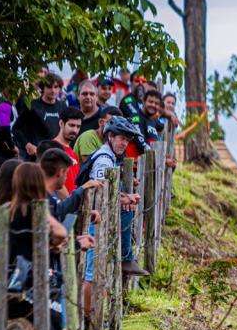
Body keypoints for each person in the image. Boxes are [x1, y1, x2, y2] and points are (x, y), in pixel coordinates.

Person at [81, 115, 148, 283]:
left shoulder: (112, 157)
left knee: (97, 270)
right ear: (110, 136)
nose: (125, 144)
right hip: (93, 218)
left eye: (128, 140)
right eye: (121, 139)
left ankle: (126, 256)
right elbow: (100, 191)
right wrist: (124, 199)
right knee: (92, 272)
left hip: (102, 215)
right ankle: (125, 257)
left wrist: (126, 195)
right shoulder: (104, 159)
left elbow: (111, 187)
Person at [14, 71, 67, 159]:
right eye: (49, 87)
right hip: (37, 156)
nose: (53, 90)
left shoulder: (63, 106)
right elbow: (16, 129)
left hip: (57, 154)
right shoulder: (32, 106)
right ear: (43, 87)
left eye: (56, 87)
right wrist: (27, 145)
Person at [52, 107, 84, 194]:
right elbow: (54, 182)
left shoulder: (73, 154)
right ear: (61, 123)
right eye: (71, 125)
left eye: (78, 126)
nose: (75, 130)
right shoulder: (53, 149)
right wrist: (70, 202)